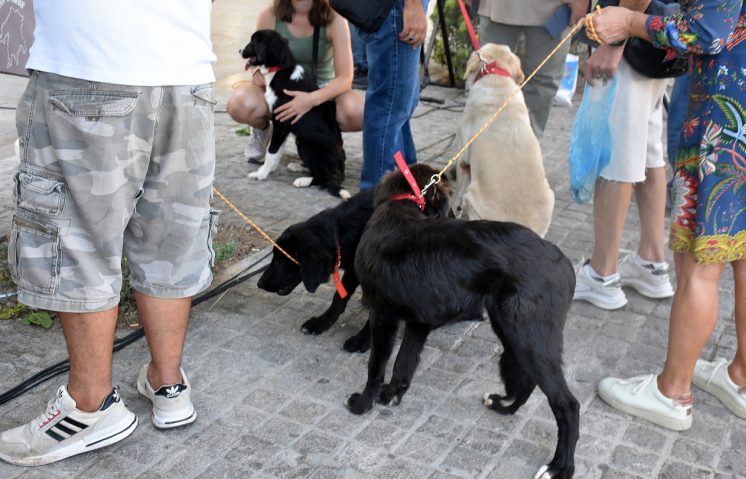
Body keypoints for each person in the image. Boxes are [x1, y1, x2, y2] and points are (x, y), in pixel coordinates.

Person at [0, 0, 217, 465]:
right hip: (186, 72)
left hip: (88, 63)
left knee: (77, 239)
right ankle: (169, 383)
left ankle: (90, 407)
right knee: (170, 239)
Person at [589, 0, 746, 430]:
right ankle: (744, 381)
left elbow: (708, 31)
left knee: (698, 270)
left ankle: (673, 391)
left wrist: (629, 21)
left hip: (725, 120)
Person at [573, 0, 675, 311]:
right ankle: (651, 262)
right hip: (653, 40)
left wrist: (614, 43)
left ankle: (602, 274)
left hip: (630, 41)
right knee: (648, 148)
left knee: (617, 156)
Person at [227, 0, 363, 164]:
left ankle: (314, 137)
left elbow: (345, 78)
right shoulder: (270, 13)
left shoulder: (335, 18)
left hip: (319, 91)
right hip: (278, 90)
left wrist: (311, 100)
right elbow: (256, 55)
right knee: (239, 103)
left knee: (358, 112)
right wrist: (256, 71)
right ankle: (262, 129)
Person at [476, 0, 590, 138]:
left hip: (554, 7)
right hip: (498, 5)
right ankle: (481, 149)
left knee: (542, 85)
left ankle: (524, 150)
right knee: (488, 80)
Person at [357, 0, 429, 192]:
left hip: (395, 9)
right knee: (388, 110)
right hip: (396, 8)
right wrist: (413, 5)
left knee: (398, 107)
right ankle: (377, 204)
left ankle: (404, 192)